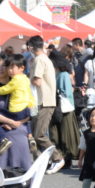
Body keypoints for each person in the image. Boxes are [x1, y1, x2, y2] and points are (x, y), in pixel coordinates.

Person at [0, 54, 32, 170]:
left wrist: (18, 123)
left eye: (4, 65)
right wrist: (10, 121)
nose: (0, 68)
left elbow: (32, 109)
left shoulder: (19, 83)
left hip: (18, 134)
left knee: (21, 175)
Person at [29, 35, 65, 173]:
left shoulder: (39, 59)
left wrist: (28, 79)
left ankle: (57, 158)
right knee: (33, 134)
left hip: (44, 100)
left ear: (31, 47)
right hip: (44, 100)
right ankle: (39, 162)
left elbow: (37, 81)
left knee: (39, 134)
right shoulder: (45, 59)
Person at [49, 50, 80, 168]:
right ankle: (63, 157)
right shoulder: (58, 74)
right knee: (61, 133)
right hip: (59, 107)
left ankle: (67, 157)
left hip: (64, 108)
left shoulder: (63, 75)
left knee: (66, 134)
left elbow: (67, 93)